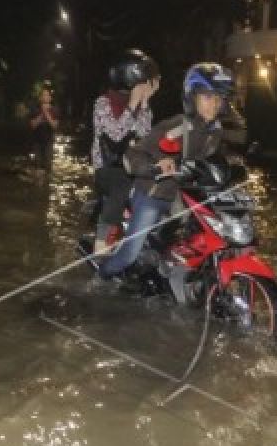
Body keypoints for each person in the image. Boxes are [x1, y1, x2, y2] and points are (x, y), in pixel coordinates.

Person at [98, 62, 235, 279]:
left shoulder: (214, 132)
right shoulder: (178, 126)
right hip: (155, 194)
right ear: (193, 98)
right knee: (130, 255)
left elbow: (211, 162)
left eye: (218, 99)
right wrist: (154, 167)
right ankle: (103, 274)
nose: (214, 105)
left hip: (186, 199)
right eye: (207, 98)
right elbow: (131, 156)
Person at [90, 49, 159, 253]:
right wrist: (132, 104)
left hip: (133, 165)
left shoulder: (142, 107)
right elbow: (115, 134)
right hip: (108, 168)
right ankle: (101, 243)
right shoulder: (102, 103)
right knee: (121, 182)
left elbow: (145, 135)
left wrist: (144, 103)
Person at [28, 81, 59, 166]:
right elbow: (33, 125)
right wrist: (42, 113)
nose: (45, 97)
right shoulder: (34, 109)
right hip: (37, 142)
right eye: (43, 95)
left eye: (47, 95)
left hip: (49, 142)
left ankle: (47, 178)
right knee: (38, 167)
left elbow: (54, 126)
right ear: (40, 98)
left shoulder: (55, 110)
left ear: (50, 98)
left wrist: (46, 113)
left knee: (48, 167)